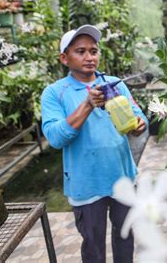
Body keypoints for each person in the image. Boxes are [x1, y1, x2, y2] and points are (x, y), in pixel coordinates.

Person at [41, 25, 147, 263]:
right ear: (64, 58)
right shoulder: (55, 93)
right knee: (93, 247)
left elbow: (138, 115)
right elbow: (55, 138)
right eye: (80, 51)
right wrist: (87, 105)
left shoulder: (115, 83)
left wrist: (140, 123)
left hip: (122, 177)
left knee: (125, 236)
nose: (89, 57)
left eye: (93, 50)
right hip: (86, 184)